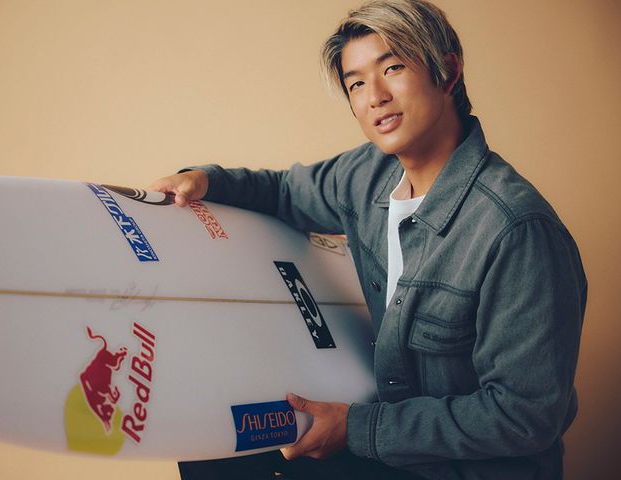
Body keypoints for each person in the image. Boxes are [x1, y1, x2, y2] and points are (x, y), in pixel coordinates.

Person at [149, 0, 587, 478]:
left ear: (448, 72)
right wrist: (204, 179)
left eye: (393, 68)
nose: (374, 96)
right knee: (211, 441)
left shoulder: (517, 230)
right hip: (387, 438)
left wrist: (358, 428)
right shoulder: (368, 172)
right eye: (356, 83)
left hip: (465, 469)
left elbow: (523, 416)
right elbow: (283, 191)